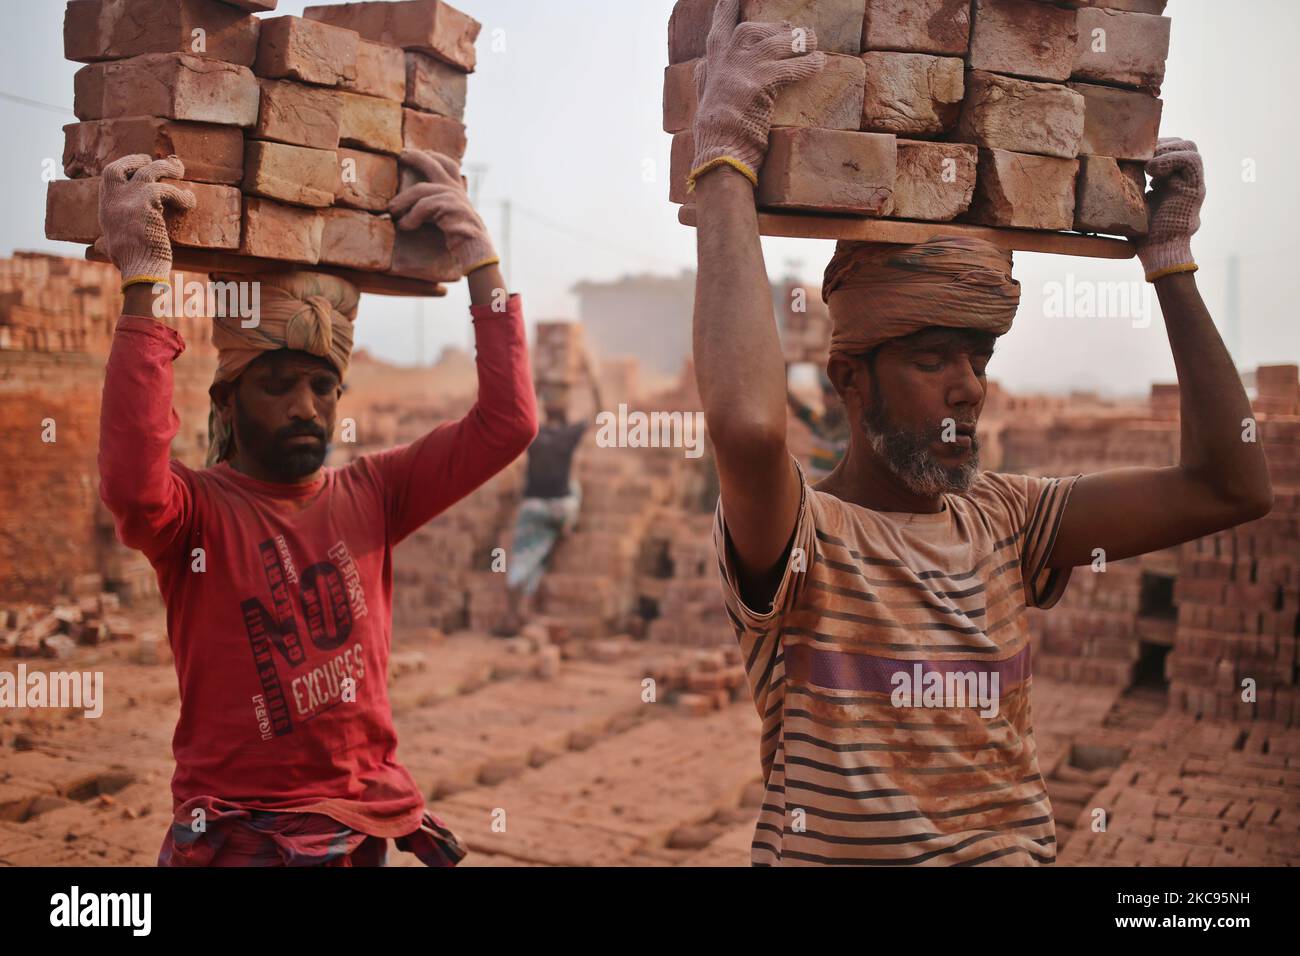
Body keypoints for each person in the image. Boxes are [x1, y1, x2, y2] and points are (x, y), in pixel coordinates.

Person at [688, 0, 1272, 866]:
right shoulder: (803, 539)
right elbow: (744, 426)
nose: (969, 388)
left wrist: (1171, 263)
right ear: (850, 378)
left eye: (980, 356)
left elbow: (1233, 485)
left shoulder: (1008, 522)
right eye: (932, 359)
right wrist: (725, 162)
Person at [94, 149, 538, 866]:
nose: (305, 407)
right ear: (227, 404)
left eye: (321, 386)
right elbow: (131, 480)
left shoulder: (375, 493)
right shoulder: (194, 517)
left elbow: (507, 423)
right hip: (238, 834)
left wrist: (481, 262)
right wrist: (145, 279)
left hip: (358, 826)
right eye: (276, 385)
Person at [498, 350, 603, 635]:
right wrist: (590, 377)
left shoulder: (532, 434)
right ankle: (567, 527)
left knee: (522, 558)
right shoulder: (569, 434)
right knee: (572, 490)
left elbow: (512, 406)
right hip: (561, 509)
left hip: (533, 508)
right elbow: (599, 412)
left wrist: (530, 375)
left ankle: (511, 615)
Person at [787, 367, 849, 481]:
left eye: (833, 395)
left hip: (836, 490)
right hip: (817, 489)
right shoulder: (816, 421)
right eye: (826, 394)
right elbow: (796, 405)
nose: (828, 399)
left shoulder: (850, 431)